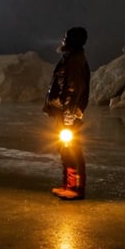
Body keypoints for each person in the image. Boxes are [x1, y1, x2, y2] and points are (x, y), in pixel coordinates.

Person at [43, 26, 91, 200]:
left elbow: (73, 88)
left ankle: (75, 189)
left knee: (71, 148)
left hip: (68, 113)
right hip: (64, 112)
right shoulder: (71, 58)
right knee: (66, 148)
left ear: (72, 41)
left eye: (66, 37)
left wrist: (69, 114)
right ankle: (69, 185)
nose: (63, 39)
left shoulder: (74, 60)